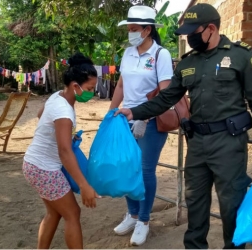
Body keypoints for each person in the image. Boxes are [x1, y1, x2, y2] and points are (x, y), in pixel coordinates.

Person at [116, 3, 252, 249]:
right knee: (196, 204)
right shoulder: (187, 63)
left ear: (211, 28)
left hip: (228, 143)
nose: (189, 38)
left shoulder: (240, 56)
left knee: (231, 204)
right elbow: (166, 98)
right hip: (198, 143)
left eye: (193, 31)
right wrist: (133, 111)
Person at [110, 5, 174, 246]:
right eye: (129, 29)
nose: (131, 33)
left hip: (151, 121)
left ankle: (144, 221)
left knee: (145, 170)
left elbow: (166, 93)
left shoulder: (160, 55)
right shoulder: (128, 53)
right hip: (125, 118)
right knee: (127, 167)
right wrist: (110, 114)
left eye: (135, 29)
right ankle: (132, 214)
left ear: (148, 30)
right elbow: (120, 87)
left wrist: (144, 117)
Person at [22, 52, 99, 249]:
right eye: (90, 88)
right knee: (72, 214)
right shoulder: (64, 111)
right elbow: (65, 152)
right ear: (75, 86)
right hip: (43, 169)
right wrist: (84, 185)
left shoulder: (58, 96)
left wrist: (61, 133)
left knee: (54, 212)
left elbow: (41, 115)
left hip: (33, 163)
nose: (92, 93)